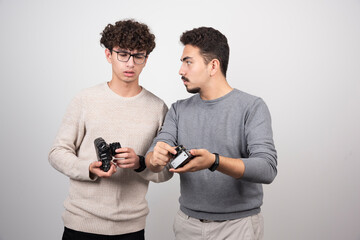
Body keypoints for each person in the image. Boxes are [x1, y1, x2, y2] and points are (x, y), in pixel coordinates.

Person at [145, 26, 277, 240]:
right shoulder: (178, 109)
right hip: (187, 224)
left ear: (213, 65)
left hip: (238, 227)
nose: (181, 70)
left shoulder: (252, 107)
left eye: (188, 62)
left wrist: (214, 161)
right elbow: (153, 157)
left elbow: (267, 168)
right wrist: (155, 157)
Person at [48, 19, 171, 240]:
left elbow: (166, 170)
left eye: (138, 55)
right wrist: (89, 168)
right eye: (123, 54)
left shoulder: (158, 108)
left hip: (131, 228)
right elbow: (57, 153)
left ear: (146, 59)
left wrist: (141, 163)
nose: (130, 63)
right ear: (108, 55)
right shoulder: (85, 99)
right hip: (81, 223)